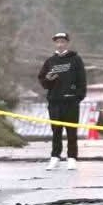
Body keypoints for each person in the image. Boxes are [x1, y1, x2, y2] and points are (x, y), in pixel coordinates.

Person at [37, 31, 87, 170]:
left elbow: (82, 80)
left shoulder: (75, 59)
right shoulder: (50, 61)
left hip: (70, 102)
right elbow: (42, 80)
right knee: (56, 131)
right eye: (57, 42)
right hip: (55, 102)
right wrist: (48, 79)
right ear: (55, 43)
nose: (60, 44)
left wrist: (78, 97)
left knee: (71, 131)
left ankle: (71, 157)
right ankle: (55, 156)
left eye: (62, 41)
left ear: (67, 43)